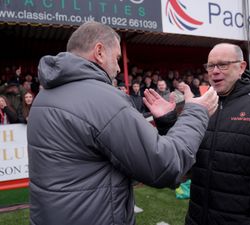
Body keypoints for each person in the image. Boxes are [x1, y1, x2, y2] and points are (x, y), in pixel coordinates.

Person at [27, 21, 219, 225]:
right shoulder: (101, 97)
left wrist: (166, 121)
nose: (119, 67)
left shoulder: (44, 95)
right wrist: (196, 112)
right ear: (99, 52)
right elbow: (164, 165)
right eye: (117, 58)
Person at [148, 43, 250, 225]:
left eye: (223, 65)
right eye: (210, 65)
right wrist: (167, 121)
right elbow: (184, 157)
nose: (215, 71)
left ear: (241, 67)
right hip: (196, 219)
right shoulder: (202, 106)